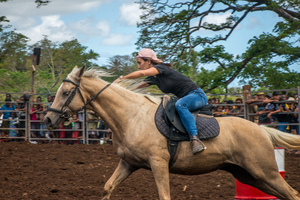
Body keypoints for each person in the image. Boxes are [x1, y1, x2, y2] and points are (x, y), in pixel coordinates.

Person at [114, 48, 208, 154]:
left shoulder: (161, 68)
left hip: (197, 95)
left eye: (140, 63)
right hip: (185, 97)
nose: (139, 66)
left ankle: (195, 139)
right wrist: (117, 90)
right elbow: (134, 88)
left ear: (148, 61)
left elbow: (141, 73)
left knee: (181, 105)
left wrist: (122, 78)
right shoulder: (153, 78)